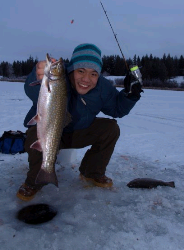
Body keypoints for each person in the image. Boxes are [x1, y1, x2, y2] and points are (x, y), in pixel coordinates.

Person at [16, 43, 143, 201]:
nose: (86, 79)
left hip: (79, 132)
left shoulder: (102, 87)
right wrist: (38, 76)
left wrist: (130, 95)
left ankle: (91, 173)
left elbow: (118, 109)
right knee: (35, 135)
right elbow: (31, 89)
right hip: (50, 132)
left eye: (93, 74)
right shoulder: (55, 81)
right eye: (81, 71)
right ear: (71, 69)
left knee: (111, 128)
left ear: (99, 75)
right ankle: (35, 181)